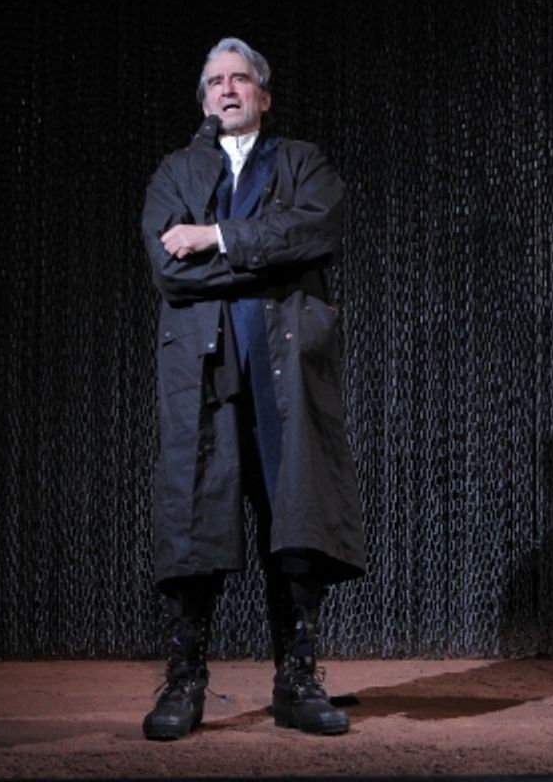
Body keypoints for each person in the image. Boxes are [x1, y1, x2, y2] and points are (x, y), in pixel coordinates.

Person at [139, 37, 366, 739]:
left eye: (241, 79)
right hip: (203, 364)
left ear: (263, 95)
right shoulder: (176, 171)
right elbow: (169, 273)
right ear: (204, 98)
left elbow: (315, 233)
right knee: (193, 514)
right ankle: (184, 680)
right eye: (215, 81)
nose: (228, 90)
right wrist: (258, 252)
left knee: (294, 513)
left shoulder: (303, 162)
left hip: (284, 360)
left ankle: (296, 679)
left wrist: (214, 237)